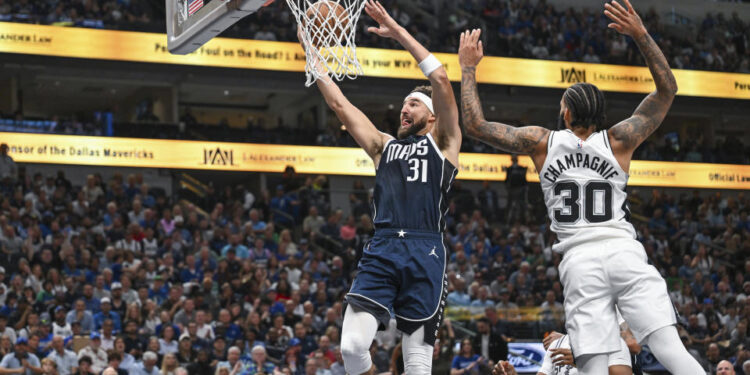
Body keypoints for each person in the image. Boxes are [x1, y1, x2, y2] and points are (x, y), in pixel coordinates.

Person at [458, 1, 703, 373]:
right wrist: (640, 35)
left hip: (579, 262)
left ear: (567, 113)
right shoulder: (620, 139)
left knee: (592, 363)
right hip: (623, 250)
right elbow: (668, 90)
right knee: (670, 347)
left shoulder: (541, 142)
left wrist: (468, 68)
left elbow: (475, 124)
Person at [303, 1, 461, 375]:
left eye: (413, 104)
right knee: (352, 347)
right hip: (384, 246)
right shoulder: (382, 146)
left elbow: (440, 79)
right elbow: (340, 105)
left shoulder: (445, 144)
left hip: (427, 250)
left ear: (432, 116)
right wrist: (308, 48)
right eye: (403, 103)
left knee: (418, 363)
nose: (404, 109)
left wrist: (395, 28)